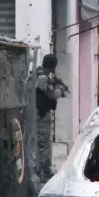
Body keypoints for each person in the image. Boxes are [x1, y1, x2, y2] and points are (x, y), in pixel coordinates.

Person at [34, 54, 69, 185]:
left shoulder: (38, 74)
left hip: (40, 113)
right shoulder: (42, 77)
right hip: (41, 114)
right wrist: (61, 90)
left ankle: (44, 169)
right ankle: (43, 170)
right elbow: (52, 95)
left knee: (44, 142)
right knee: (43, 143)